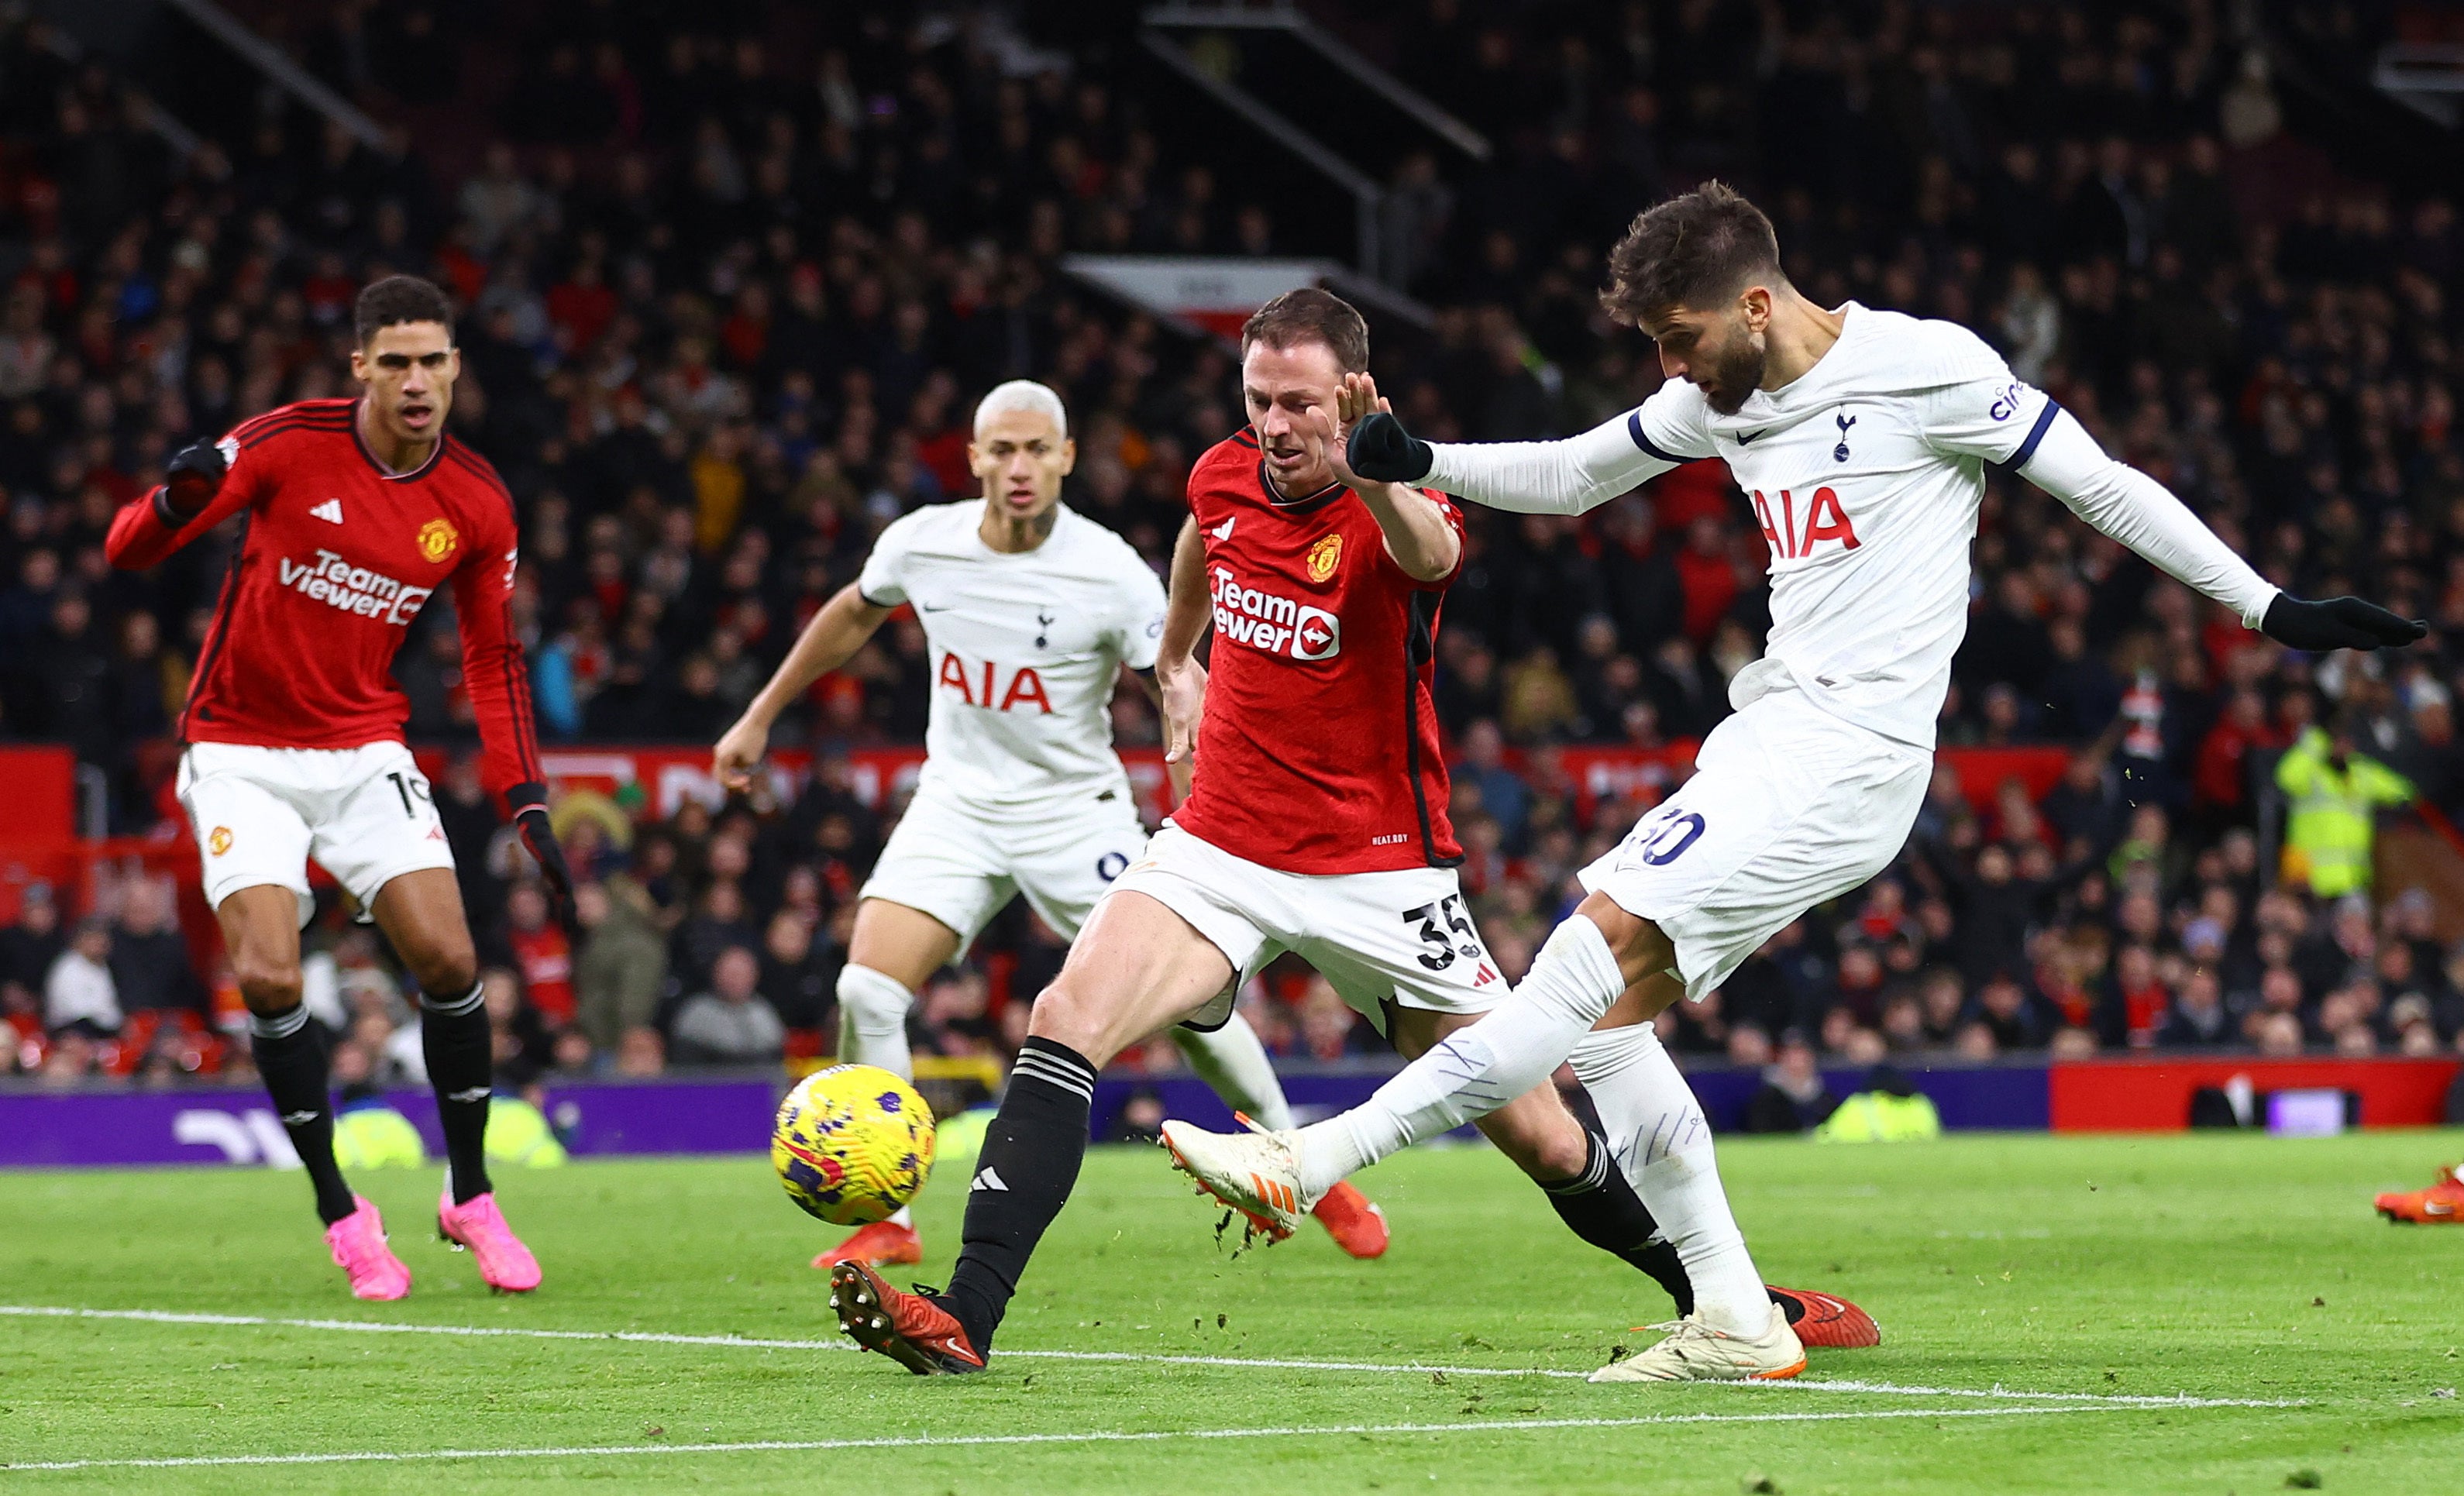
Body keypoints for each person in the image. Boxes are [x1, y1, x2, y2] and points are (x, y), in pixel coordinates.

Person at [1161, 183, 2425, 1382]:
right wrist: (1422, 457)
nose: (1672, 368)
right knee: (1603, 1026)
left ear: (1754, 306)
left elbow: (2101, 484)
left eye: (1680, 338)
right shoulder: (1718, 396)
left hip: (1854, 756)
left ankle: (1312, 1153)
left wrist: (2269, 608)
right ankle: (1733, 1316)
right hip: (1773, 734)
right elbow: (1577, 470)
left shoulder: (1928, 370)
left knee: (1581, 958)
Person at [822, 291, 1873, 1377]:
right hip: (1219, 845)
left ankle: (1737, 1300)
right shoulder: (1222, 473)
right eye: (1258, 400)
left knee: (1549, 1137)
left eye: (1300, 405)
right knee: (1064, 1013)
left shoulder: (1401, 494)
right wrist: (1179, 658)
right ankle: (964, 1314)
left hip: (1380, 872)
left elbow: (1430, 561)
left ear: (1354, 395)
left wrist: (1377, 473)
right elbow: (1202, 536)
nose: (1275, 426)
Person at [714, 378, 1391, 1268]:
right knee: (865, 991)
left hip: (1076, 811)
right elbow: (853, 611)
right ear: (974, 459)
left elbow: (1176, 666)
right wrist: (760, 715)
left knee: (1189, 1001)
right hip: (956, 803)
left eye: (1038, 449)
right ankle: (894, 1218)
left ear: (1067, 457)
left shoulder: (1106, 567)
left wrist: (1192, 744)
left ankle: (1300, 1162)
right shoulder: (925, 542)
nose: (1020, 466)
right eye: (1002, 450)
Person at [103, 275, 571, 1301]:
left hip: (363, 748)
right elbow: (127, 547)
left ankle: (472, 1194)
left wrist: (524, 793)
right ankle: (342, 1211)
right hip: (237, 749)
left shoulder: (478, 500)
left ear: (456, 371)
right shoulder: (284, 443)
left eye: (433, 362)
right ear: (360, 364)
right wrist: (173, 500)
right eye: (395, 361)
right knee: (269, 979)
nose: (416, 382)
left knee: (450, 956)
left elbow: (493, 657)